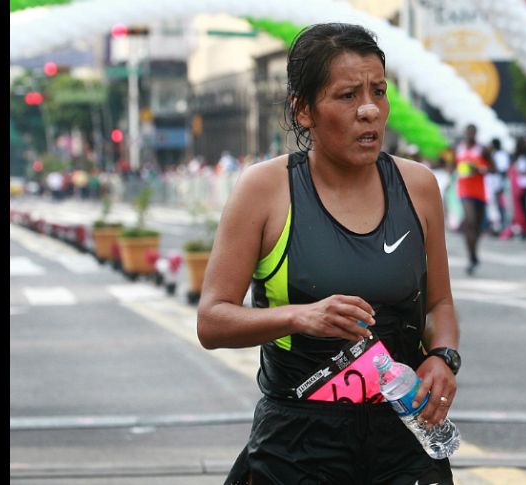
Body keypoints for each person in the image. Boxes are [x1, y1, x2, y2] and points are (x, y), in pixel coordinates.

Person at [196, 23, 459, 485]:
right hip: (299, 443)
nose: (369, 111)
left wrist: (442, 357)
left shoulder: (417, 186)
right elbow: (213, 321)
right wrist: (300, 317)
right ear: (303, 110)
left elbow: (439, 303)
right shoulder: (265, 190)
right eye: (346, 95)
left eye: (378, 91)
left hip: (404, 436)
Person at [454, 124, 494, 274]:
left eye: (472, 132)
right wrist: (460, 169)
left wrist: (479, 169)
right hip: (465, 190)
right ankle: (471, 257)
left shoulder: (482, 149)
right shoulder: (459, 148)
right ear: (465, 132)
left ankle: (474, 253)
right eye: (468, 132)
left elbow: (493, 168)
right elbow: (452, 166)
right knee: (470, 221)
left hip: (480, 192)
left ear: (476, 133)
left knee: (477, 227)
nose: (470, 134)